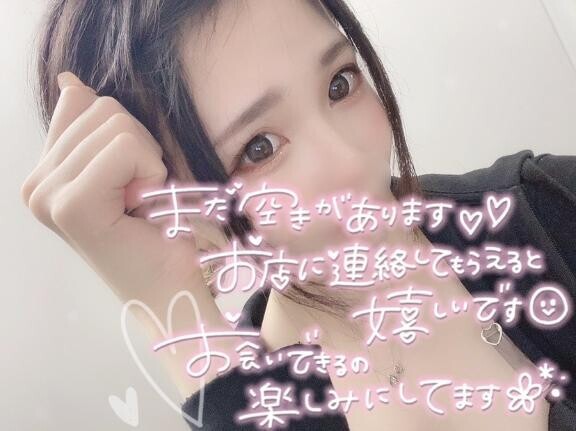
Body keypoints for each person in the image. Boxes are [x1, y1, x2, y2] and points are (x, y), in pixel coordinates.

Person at [20, 0, 575, 429]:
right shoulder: (247, 400)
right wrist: (170, 307)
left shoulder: (549, 208)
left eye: (340, 83)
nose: (348, 157)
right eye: (259, 148)